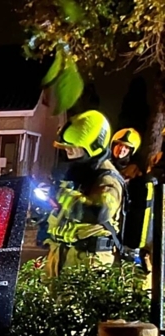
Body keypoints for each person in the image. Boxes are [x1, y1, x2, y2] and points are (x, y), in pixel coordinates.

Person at [42, 110, 125, 278]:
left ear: (94, 145)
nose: (68, 150)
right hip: (61, 255)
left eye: (74, 146)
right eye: (67, 146)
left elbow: (98, 211)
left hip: (88, 261)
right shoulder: (77, 172)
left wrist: (61, 194)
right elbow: (63, 212)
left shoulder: (108, 179)